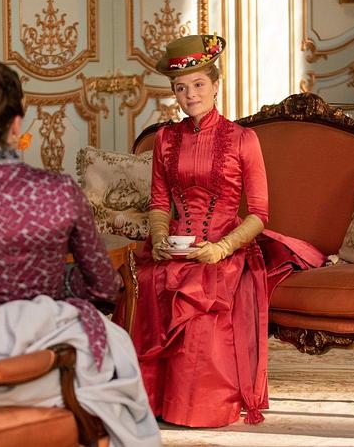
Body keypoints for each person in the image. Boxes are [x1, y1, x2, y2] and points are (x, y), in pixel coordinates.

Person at [0, 50, 162, 447]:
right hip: (52, 369)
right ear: (16, 124)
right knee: (111, 349)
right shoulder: (60, 191)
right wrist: (58, 284)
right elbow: (104, 289)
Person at [122, 34, 326, 428]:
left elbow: (260, 214)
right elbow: (159, 202)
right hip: (176, 247)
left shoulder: (243, 139)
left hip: (226, 248)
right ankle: (152, 403)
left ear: (216, 85)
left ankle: (196, 407)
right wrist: (160, 238)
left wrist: (221, 248)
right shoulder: (165, 138)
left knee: (200, 291)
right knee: (147, 280)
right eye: (181, 88)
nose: (191, 95)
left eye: (199, 84)